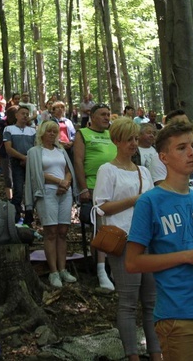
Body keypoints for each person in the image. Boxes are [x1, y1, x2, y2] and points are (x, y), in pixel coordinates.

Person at [126, 121, 193, 360]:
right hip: (178, 315)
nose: (192, 152)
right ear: (164, 157)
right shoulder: (150, 202)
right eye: (181, 148)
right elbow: (132, 263)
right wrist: (188, 256)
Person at [92, 118, 161, 361]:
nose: (134, 143)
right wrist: (135, 200)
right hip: (123, 243)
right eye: (128, 139)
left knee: (152, 303)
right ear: (116, 141)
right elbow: (101, 207)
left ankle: (156, 354)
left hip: (148, 242)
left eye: (135, 138)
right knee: (129, 303)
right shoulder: (107, 170)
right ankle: (132, 355)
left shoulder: (144, 171)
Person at [24, 120, 78, 287]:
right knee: (51, 231)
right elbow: (37, 173)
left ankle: (63, 269)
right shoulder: (34, 152)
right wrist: (58, 181)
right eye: (49, 131)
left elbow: (68, 170)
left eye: (55, 131)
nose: (53, 134)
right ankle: (53, 272)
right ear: (42, 133)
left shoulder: (60, 150)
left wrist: (66, 182)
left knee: (63, 230)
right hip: (46, 191)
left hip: (65, 192)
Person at [74, 102, 117, 290]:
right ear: (91, 117)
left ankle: (115, 267)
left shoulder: (112, 135)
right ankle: (101, 269)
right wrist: (83, 188)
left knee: (117, 226)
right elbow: (78, 161)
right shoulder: (83, 134)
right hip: (94, 187)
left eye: (108, 114)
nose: (107, 117)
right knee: (101, 227)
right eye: (102, 114)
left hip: (117, 187)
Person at [149, 110, 193, 208]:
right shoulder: (158, 159)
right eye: (181, 148)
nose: (192, 153)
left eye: (186, 122)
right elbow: (164, 193)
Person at [4, 105, 37, 223]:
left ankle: (29, 217)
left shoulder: (33, 131)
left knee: (31, 190)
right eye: (22, 113)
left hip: (31, 163)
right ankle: (15, 218)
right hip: (16, 162)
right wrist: (23, 158)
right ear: (16, 115)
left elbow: (36, 147)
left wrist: (29, 159)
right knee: (18, 189)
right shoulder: (8, 129)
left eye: (27, 114)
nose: (25, 116)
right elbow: (8, 148)